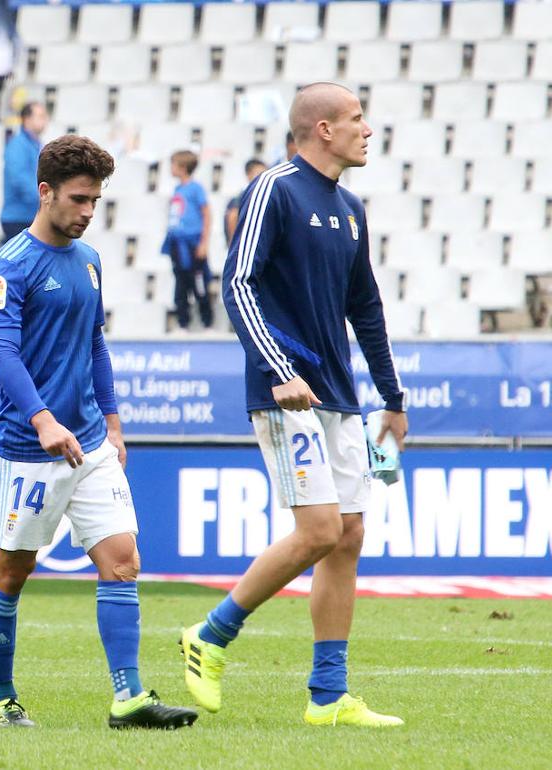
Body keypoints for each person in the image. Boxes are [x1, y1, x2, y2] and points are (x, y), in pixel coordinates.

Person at [182, 82, 408, 728]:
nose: (368, 129)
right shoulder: (274, 189)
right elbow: (238, 283)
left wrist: (391, 397)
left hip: (338, 394)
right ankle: (210, 635)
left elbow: (365, 306)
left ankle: (328, 695)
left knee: (349, 536)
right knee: (320, 531)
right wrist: (279, 371)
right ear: (324, 129)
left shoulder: (351, 208)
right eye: (357, 118)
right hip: (288, 394)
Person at [0, 135, 198, 731]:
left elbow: (95, 343)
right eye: (79, 199)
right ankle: (2, 700)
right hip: (29, 449)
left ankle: (128, 698)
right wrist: (42, 418)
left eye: (96, 201)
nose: (88, 211)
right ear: (45, 192)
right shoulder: (8, 265)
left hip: (92, 443)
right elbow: (2, 353)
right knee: (10, 573)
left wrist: (114, 422)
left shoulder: (90, 260)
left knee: (123, 561)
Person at [162, 149, 213, 331]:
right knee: (180, 284)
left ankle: (207, 322)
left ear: (183, 167)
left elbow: (207, 214)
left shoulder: (195, 188)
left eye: (173, 164)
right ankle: (183, 322)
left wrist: (203, 243)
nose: (171, 168)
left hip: (192, 245)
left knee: (199, 284)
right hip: (177, 245)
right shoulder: (177, 189)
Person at [0, 102, 46, 241]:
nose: (45, 120)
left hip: (31, 216)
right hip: (18, 218)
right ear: (27, 119)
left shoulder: (36, 145)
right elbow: (19, 179)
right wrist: (43, 200)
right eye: (40, 116)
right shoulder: (17, 144)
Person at [225, 158, 267, 247]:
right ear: (249, 174)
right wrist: (234, 246)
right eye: (259, 173)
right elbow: (233, 217)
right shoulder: (242, 196)